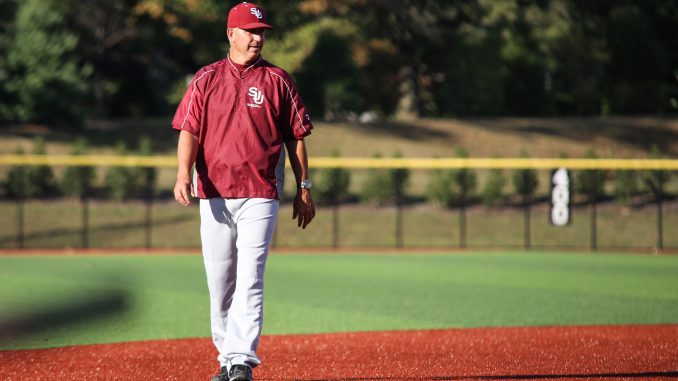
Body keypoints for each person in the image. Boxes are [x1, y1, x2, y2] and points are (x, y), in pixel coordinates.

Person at [172, 2, 316, 381]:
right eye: (251, 31)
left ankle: (242, 360)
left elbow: (296, 138)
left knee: (251, 276)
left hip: (261, 192)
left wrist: (304, 186)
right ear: (231, 34)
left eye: (262, 32)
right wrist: (182, 174)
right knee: (220, 282)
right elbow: (189, 129)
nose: (258, 38)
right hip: (214, 192)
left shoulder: (278, 80)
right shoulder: (205, 79)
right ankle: (226, 357)